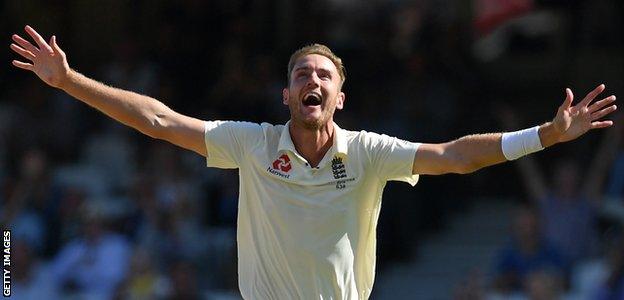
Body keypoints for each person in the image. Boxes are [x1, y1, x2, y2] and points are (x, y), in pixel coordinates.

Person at [9, 25, 617, 299]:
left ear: (339, 97)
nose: (313, 81)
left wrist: (543, 135)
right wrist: (69, 81)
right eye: (301, 74)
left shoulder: (371, 153)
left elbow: (454, 157)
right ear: (286, 95)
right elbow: (161, 121)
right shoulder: (251, 143)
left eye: (324, 75)